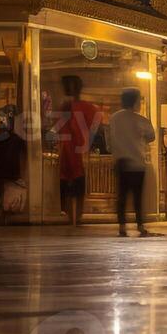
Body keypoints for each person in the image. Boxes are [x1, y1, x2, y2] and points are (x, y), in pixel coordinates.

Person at [106, 88, 159, 237]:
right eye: (139, 100)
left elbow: (109, 139)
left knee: (121, 196)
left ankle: (122, 226)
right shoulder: (141, 119)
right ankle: (140, 225)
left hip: (121, 161)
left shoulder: (114, 118)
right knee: (137, 196)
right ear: (135, 101)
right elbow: (151, 136)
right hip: (137, 163)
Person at [55, 76, 103, 226]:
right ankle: (77, 216)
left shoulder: (63, 108)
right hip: (79, 153)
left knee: (69, 185)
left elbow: (57, 130)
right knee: (77, 185)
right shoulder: (87, 108)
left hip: (68, 152)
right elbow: (97, 121)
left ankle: (71, 217)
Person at [0, 108, 28, 221]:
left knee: (0, 192)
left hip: (0, 170)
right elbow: (25, 152)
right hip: (12, 171)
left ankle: (0, 211)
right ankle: (5, 212)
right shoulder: (17, 139)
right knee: (7, 192)